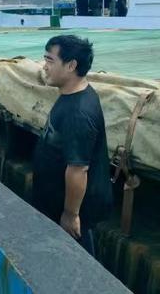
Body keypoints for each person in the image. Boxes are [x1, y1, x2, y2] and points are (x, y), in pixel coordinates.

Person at [32, 35, 113, 257]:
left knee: (77, 261)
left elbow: (78, 169)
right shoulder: (71, 95)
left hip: (70, 213)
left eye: (50, 60)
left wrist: (70, 214)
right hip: (52, 203)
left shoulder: (78, 113)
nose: (44, 66)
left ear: (71, 65)